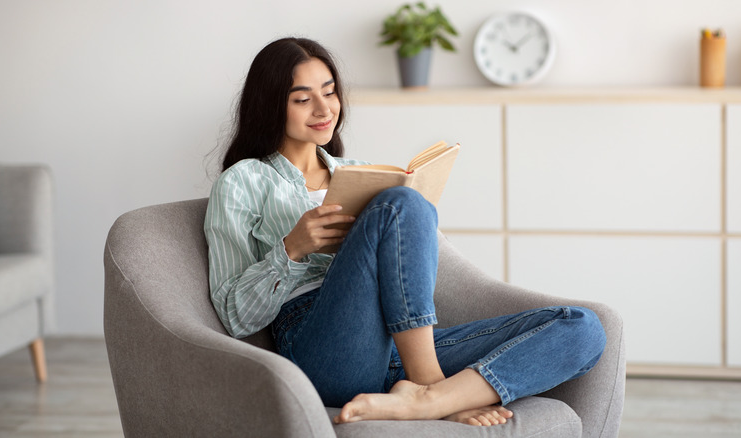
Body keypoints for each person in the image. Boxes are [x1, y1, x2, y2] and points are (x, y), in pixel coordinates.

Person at [204, 37, 607, 427]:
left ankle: (428, 400)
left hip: (400, 345)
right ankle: (431, 386)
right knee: (403, 204)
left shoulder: (360, 172)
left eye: (329, 92)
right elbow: (233, 316)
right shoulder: (243, 181)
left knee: (583, 327)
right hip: (322, 348)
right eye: (303, 98)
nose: (324, 108)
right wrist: (291, 250)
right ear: (272, 105)